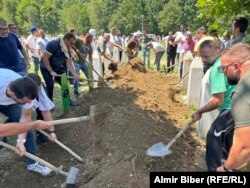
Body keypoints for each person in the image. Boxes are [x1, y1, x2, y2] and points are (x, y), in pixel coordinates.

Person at [192, 40, 235, 171]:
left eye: (206, 56)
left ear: (218, 50)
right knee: (228, 146)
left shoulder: (217, 68)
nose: (204, 60)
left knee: (214, 143)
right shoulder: (225, 62)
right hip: (238, 107)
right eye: (202, 56)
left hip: (231, 110)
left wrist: (199, 111)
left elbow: (218, 100)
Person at [0, 68, 52, 176]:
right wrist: (34, 124)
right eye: (25, 102)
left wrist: (21, 140)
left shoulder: (27, 90)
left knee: (29, 130)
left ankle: (32, 164)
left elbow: (25, 118)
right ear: (13, 95)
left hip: (9, 100)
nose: (29, 103)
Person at [217, 43, 250, 172]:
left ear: (236, 66)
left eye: (223, 68)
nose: (223, 73)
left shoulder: (243, 92)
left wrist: (226, 168)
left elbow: (245, 146)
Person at [40, 32, 80, 105]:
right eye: (71, 43)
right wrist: (50, 71)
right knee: (50, 85)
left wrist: (74, 74)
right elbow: (45, 58)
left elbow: (69, 63)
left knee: (64, 83)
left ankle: (68, 101)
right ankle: (49, 103)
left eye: (73, 43)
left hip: (57, 67)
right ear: (66, 40)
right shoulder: (53, 44)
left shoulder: (69, 49)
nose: (72, 45)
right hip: (46, 67)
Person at [26, 73, 57, 143]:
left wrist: (52, 131)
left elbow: (45, 109)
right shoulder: (17, 88)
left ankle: (40, 132)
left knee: (41, 112)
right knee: (16, 115)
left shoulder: (40, 88)